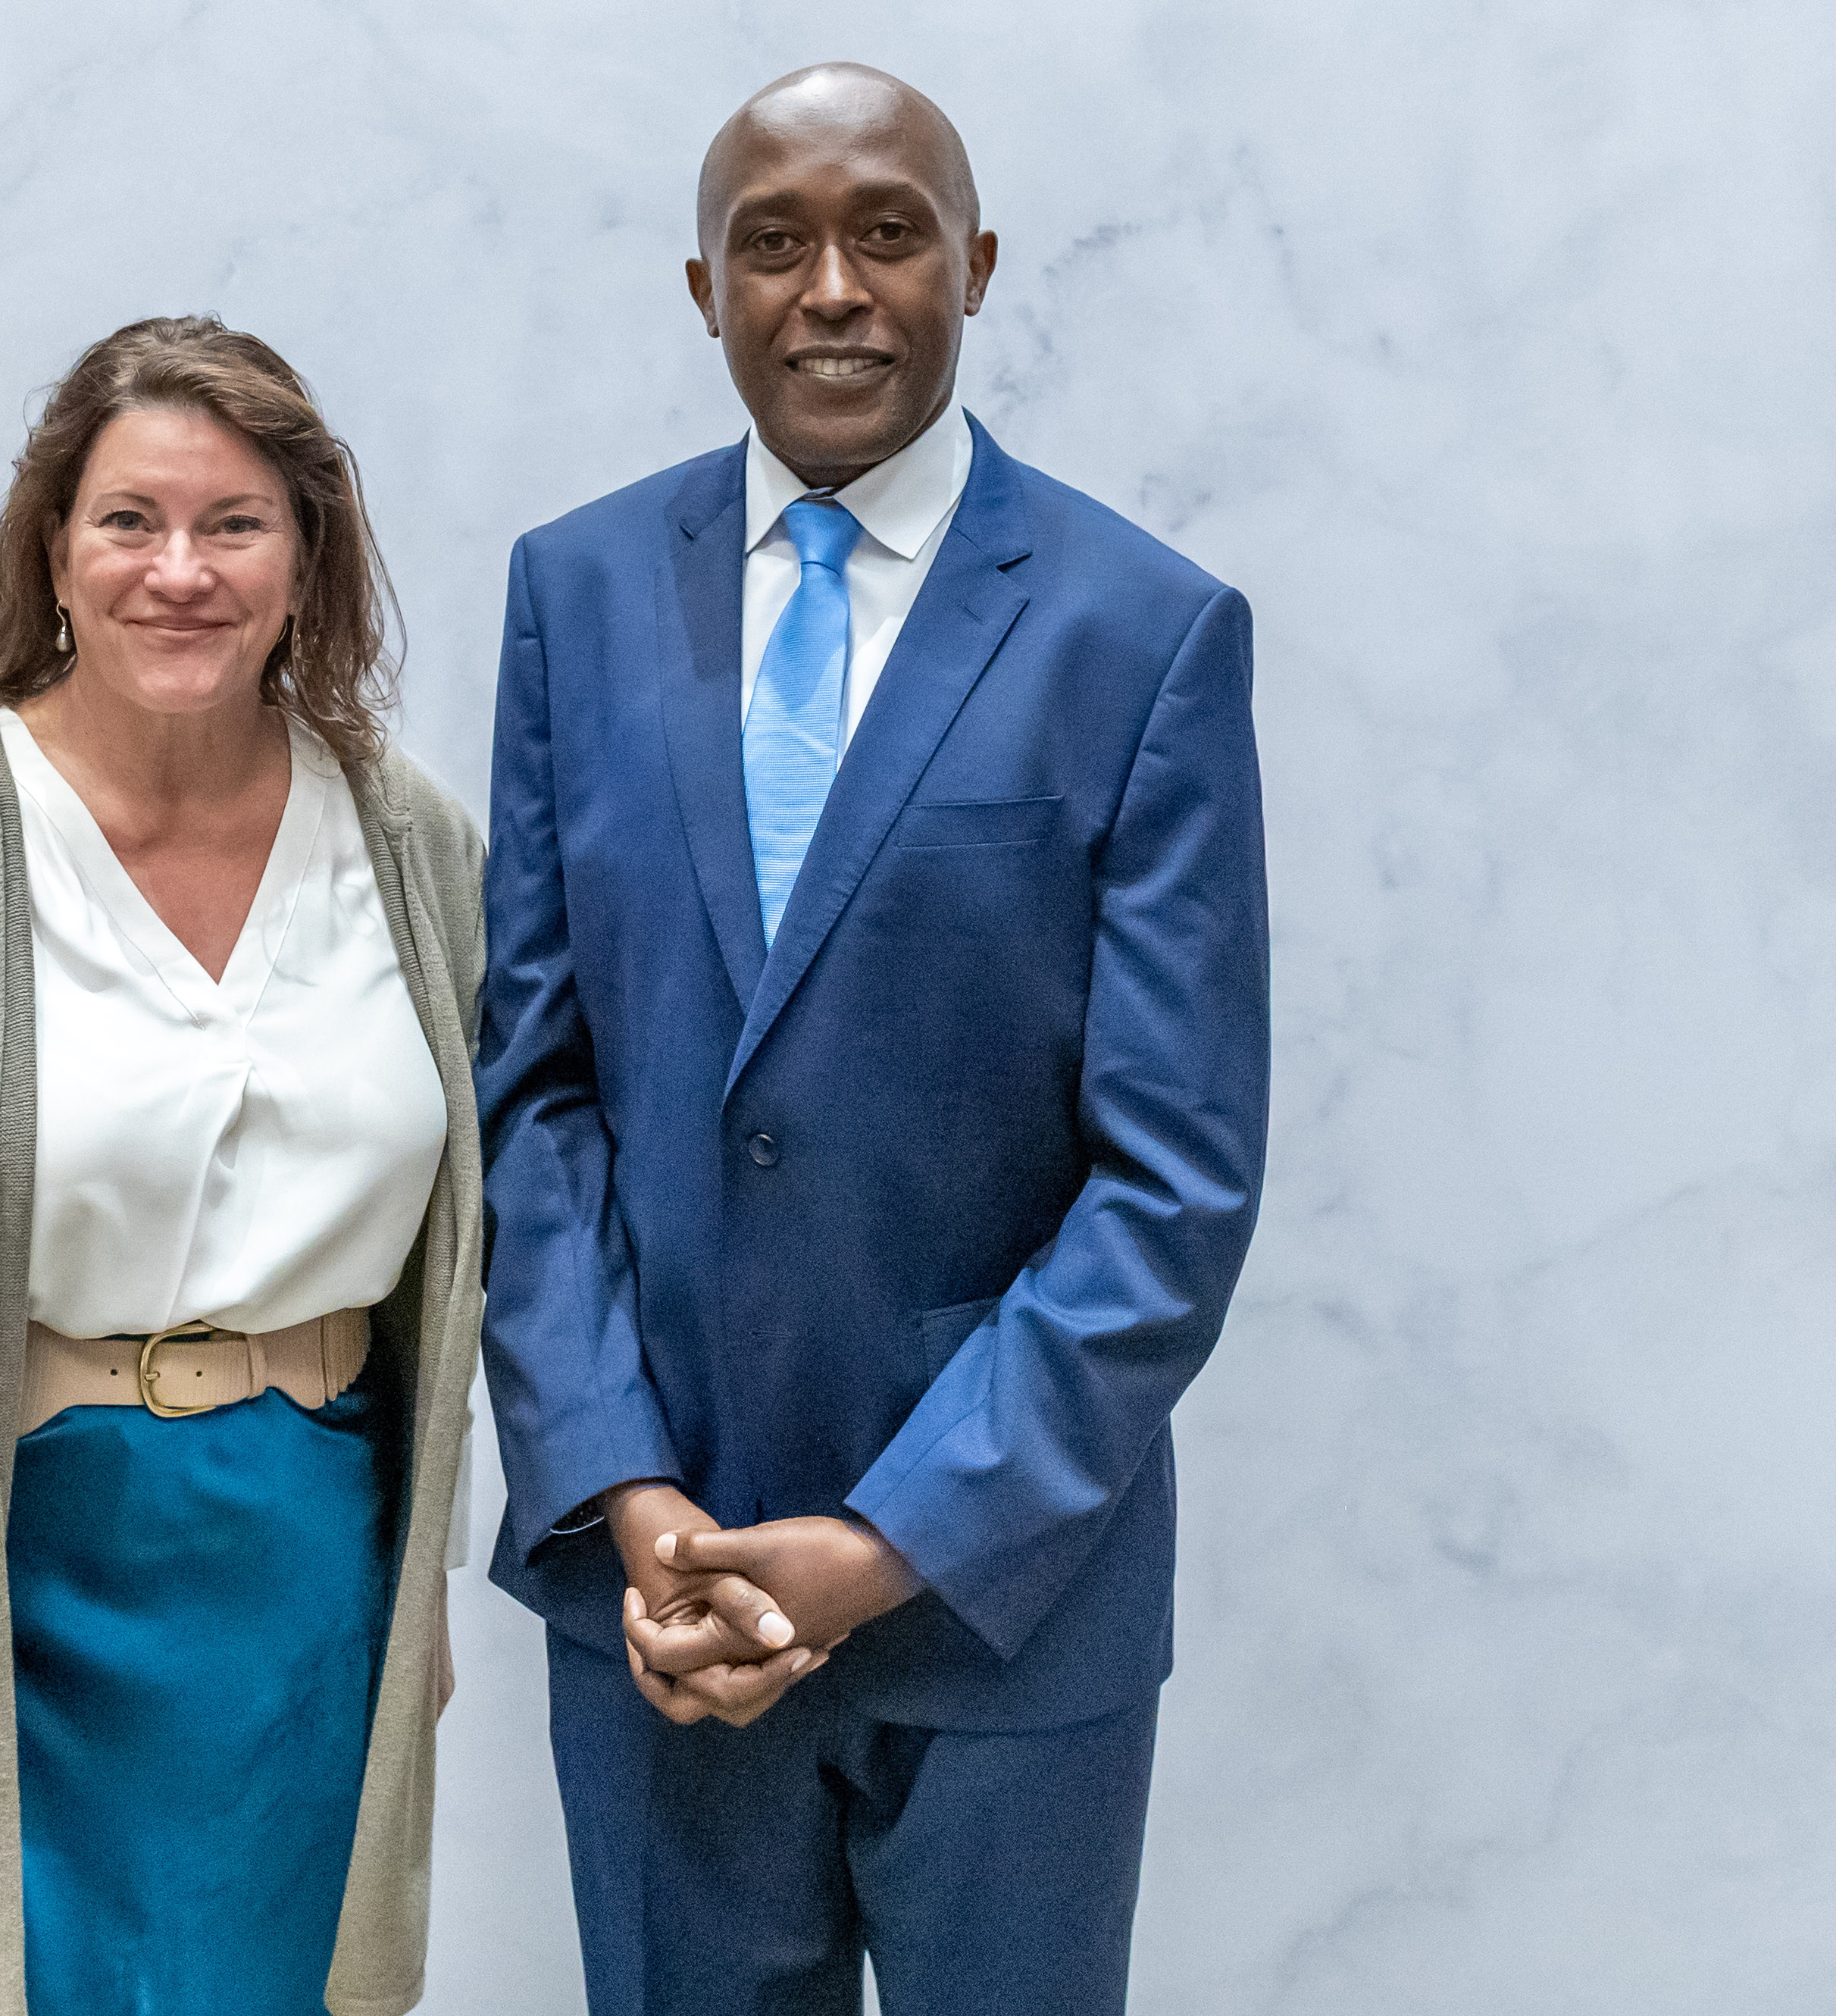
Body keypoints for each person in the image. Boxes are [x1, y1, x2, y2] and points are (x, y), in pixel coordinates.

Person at [476, 64, 1269, 2016]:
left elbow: (1172, 1185)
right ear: (705, 290)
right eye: (774, 243)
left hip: (1008, 1620)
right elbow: (534, 1100)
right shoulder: (574, 595)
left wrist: (888, 1541)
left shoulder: (1143, 631)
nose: (831, 287)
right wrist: (628, 1492)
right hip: (662, 1609)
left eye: (887, 233)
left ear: (975, 266)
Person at [0, 314, 485, 2016]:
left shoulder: (408, 839)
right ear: (52, 548)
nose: (178, 571)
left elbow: (462, 1259)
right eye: (130, 519)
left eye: (235, 523)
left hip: (304, 1600)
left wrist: (420, 1581)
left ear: (308, 557)